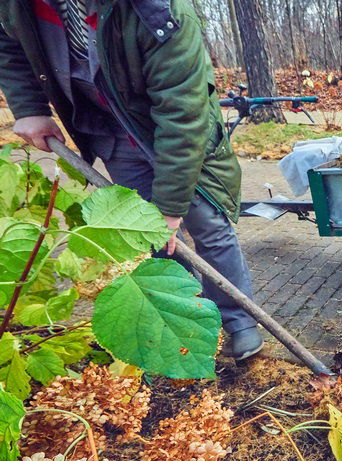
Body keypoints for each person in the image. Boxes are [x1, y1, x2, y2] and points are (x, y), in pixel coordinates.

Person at [0, 0, 264, 361]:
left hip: (178, 130)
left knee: (206, 224)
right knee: (149, 238)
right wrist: (29, 107)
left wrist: (170, 210)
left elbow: (183, 116)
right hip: (109, 128)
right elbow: (9, 44)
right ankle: (185, 326)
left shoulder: (162, 11)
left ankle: (239, 322)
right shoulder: (16, 5)